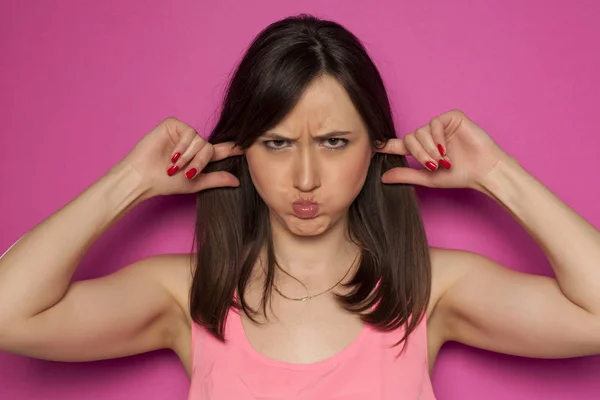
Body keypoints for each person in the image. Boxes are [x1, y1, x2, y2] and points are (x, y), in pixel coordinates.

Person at [0, 13, 599, 400]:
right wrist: (129, 180)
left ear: (375, 147)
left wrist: (499, 175)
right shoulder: (190, 294)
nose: (305, 177)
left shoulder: (429, 287)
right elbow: (9, 314)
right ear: (241, 150)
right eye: (277, 143)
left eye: (334, 142)